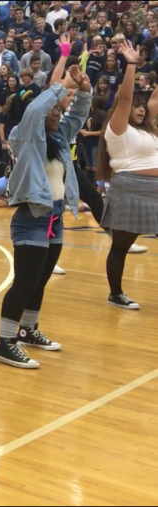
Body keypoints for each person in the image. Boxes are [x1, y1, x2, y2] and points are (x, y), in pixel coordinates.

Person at [0, 35, 92, 370]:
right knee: (25, 281)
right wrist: (60, 86)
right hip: (31, 217)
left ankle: (28, 330)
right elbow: (37, 108)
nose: (58, 113)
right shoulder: (26, 134)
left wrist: (84, 89)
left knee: (41, 280)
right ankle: (4, 342)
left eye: (59, 111)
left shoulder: (58, 137)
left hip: (55, 217)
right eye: (55, 109)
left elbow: (77, 114)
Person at [97, 40, 158, 310]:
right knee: (122, 244)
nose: (141, 108)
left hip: (154, 189)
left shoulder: (148, 128)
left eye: (143, 105)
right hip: (129, 187)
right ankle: (116, 293)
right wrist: (131, 63)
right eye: (136, 105)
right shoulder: (118, 127)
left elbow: (155, 99)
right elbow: (124, 97)